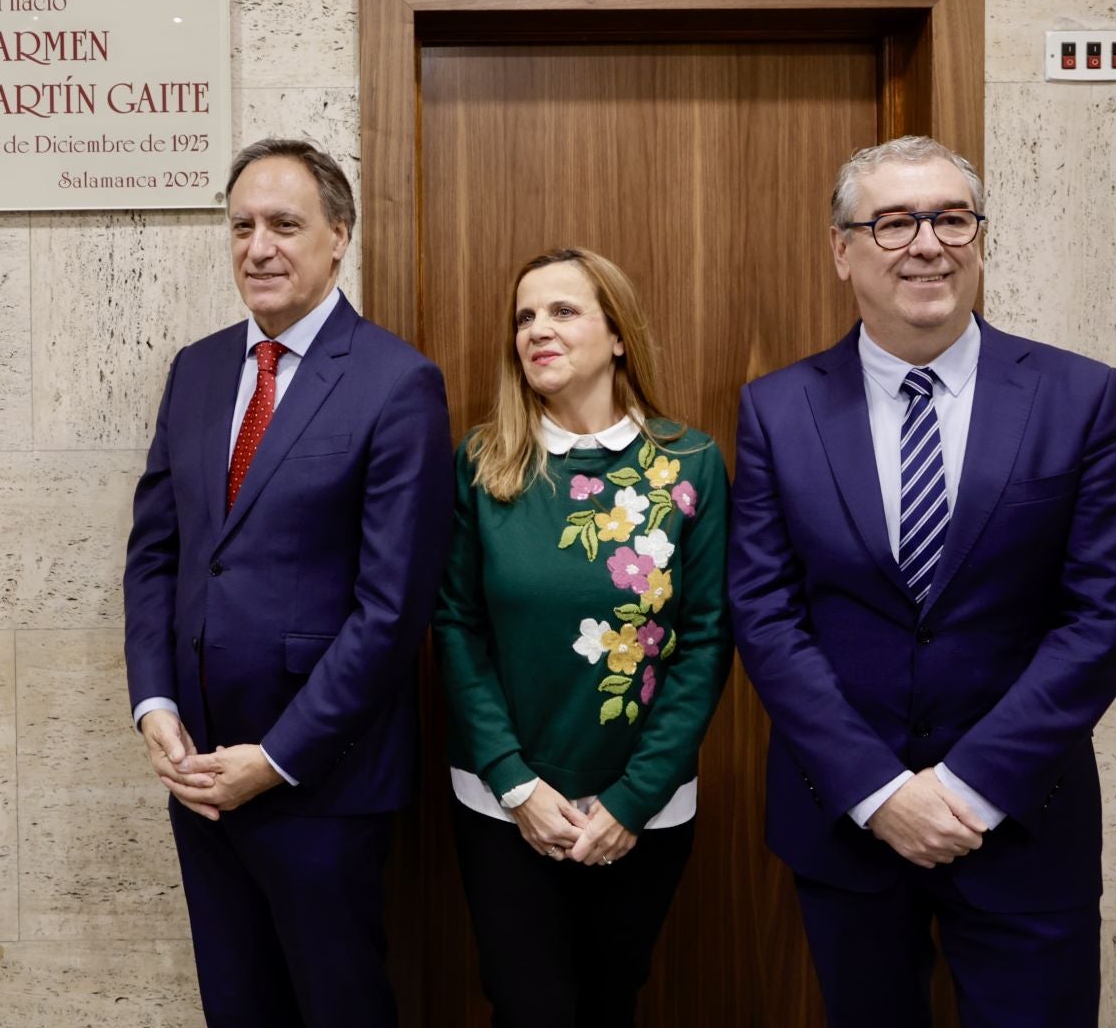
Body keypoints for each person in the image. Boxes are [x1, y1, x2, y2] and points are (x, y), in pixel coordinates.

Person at [729, 135, 1116, 1027]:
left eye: (952, 217)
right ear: (841, 251)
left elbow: (1103, 615)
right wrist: (881, 792)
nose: (928, 242)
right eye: (894, 222)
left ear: (980, 238)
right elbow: (766, 616)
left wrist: (968, 788)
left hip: (1026, 823)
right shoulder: (777, 408)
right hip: (849, 826)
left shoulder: (1078, 397)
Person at [123, 138, 455, 1027]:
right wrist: (153, 702)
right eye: (241, 227)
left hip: (322, 784)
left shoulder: (396, 382)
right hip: (201, 778)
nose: (258, 247)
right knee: (236, 1008)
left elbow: (392, 612)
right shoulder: (196, 370)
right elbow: (157, 553)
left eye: (284, 224)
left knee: (339, 1006)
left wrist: (272, 761)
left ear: (338, 236)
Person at [434, 248, 731, 1027]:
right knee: (528, 1007)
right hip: (506, 804)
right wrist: (517, 785)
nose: (537, 329)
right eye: (525, 316)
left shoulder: (690, 464)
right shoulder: (482, 462)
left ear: (618, 333)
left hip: (643, 809)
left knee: (609, 1003)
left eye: (562, 311)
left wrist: (631, 801)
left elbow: (704, 641)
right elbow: (456, 627)